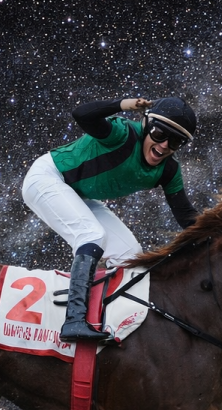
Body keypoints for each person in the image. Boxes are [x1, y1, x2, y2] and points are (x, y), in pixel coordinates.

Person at [22, 97, 199, 340]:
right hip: (47, 177)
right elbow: (81, 113)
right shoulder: (122, 134)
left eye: (175, 141)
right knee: (92, 236)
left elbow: (186, 214)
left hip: (80, 195)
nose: (164, 145)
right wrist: (124, 104)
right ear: (146, 124)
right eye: (159, 133)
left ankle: (106, 316)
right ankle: (73, 320)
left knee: (132, 257)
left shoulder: (169, 170)